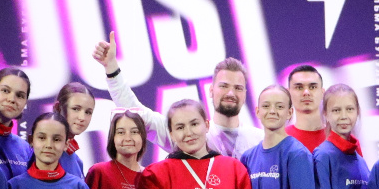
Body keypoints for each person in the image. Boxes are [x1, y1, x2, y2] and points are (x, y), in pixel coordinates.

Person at [93, 34, 266, 158]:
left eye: (238, 88)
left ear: (245, 94)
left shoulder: (260, 140)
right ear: (211, 90)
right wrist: (111, 67)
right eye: (224, 86)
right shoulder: (188, 133)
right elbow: (135, 111)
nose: (230, 93)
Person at [54, 81, 96, 178]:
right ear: (58, 108)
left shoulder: (77, 161)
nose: (82, 118)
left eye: (88, 112)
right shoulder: (44, 152)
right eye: (76, 109)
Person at [283, 65, 328, 151]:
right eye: (299, 87)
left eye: (312, 87)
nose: (306, 92)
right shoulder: (279, 141)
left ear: (322, 92)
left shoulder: (340, 138)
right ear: (288, 93)